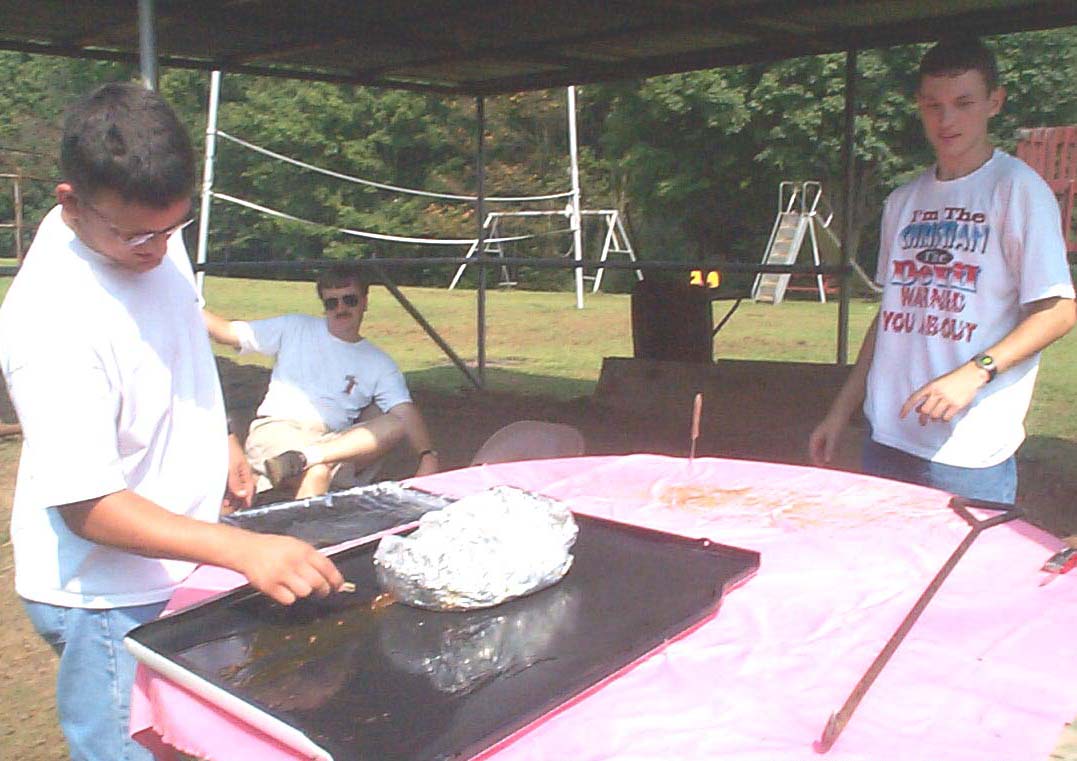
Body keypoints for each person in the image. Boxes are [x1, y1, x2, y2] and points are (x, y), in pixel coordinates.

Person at [0, 82, 345, 761]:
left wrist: (223, 435)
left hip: (175, 563)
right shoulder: (50, 321)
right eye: (136, 234)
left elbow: (179, 330)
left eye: (173, 228)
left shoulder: (146, 222)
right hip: (107, 596)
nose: (157, 248)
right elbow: (88, 506)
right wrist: (244, 550)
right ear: (70, 202)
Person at [809, 36, 1076, 505]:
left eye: (963, 103)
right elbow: (891, 317)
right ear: (919, 105)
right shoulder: (903, 201)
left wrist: (975, 372)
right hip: (886, 437)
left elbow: (1058, 310)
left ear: (995, 102)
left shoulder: (1017, 190)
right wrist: (840, 411)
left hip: (966, 451)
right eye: (934, 105)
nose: (947, 119)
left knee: (966, 557)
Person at [203, 264, 440, 499]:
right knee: (317, 473)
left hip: (332, 443)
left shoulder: (379, 362)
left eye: (349, 300)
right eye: (331, 303)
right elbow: (227, 333)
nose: (341, 308)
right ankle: (303, 488)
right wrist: (189, 304)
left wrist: (428, 456)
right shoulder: (295, 327)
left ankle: (305, 458)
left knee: (395, 423)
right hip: (280, 430)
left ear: (365, 302)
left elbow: (404, 411)